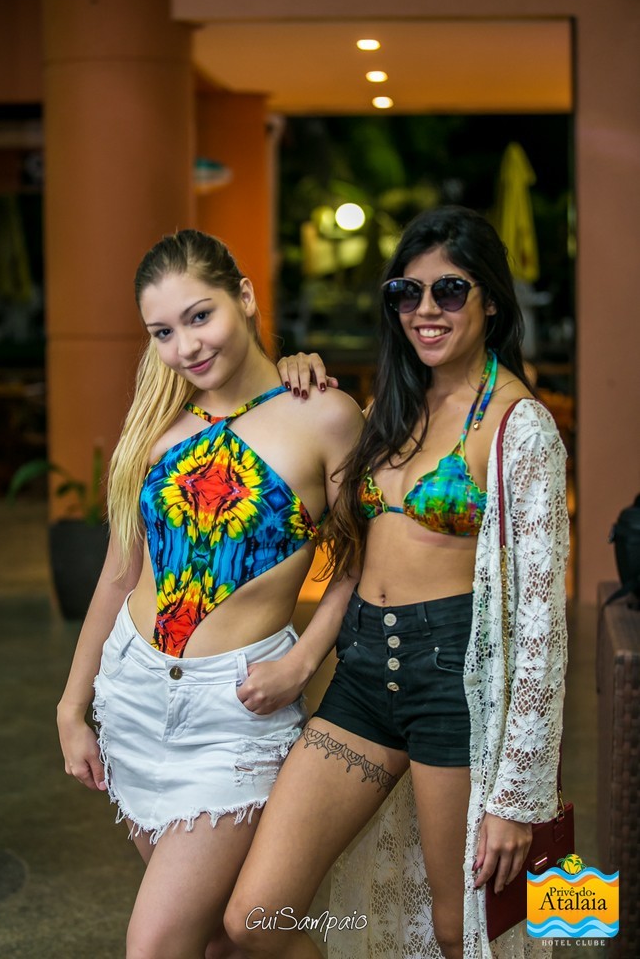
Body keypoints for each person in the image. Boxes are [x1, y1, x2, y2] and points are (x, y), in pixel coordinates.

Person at [225, 205, 569, 959]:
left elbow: (542, 623)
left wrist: (517, 797)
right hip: (361, 676)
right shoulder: (390, 407)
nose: (425, 309)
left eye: (449, 290)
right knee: (255, 917)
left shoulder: (518, 426)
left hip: (453, 685)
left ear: (490, 300)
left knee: (460, 928)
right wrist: (292, 374)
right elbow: (342, 528)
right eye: (405, 293)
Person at [55, 229, 364, 959]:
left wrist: (302, 662)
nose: (186, 345)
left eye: (200, 316)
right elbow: (120, 574)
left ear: (245, 297)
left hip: (234, 717)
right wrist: (72, 705)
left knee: (157, 945)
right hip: (131, 698)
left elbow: (361, 565)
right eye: (163, 331)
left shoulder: (324, 414)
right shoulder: (157, 426)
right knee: (229, 940)